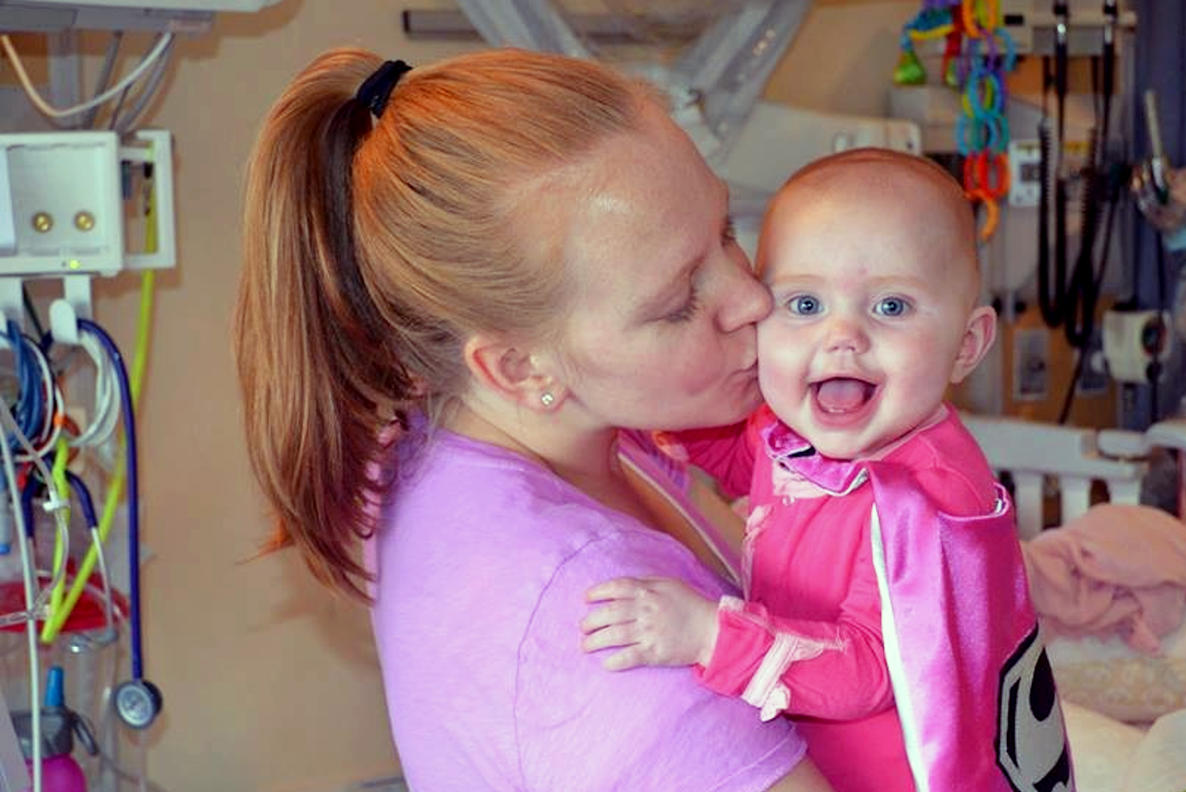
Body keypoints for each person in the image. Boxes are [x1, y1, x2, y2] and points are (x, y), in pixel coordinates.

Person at [233, 47, 834, 791]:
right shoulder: (598, 620)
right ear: (519, 369)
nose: (751, 299)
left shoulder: (515, 438)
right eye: (679, 300)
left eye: (727, 231)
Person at [581, 149, 1075, 792]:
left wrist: (710, 636)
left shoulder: (923, 505)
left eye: (891, 307)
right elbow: (752, 465)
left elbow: (869, 668)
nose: (843, 335)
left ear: (967, 345)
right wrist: (656, 416)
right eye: (806, 304)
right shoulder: (802, 432)